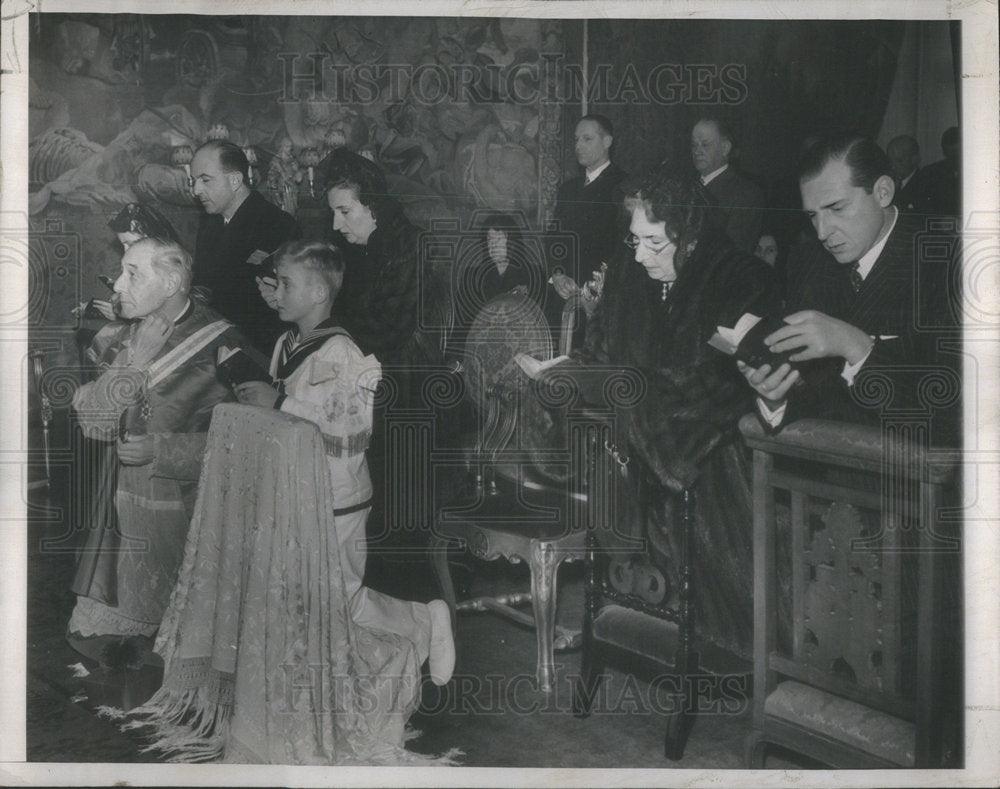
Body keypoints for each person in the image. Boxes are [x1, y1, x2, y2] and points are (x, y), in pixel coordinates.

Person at [519, 172, 777, 658]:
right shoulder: (628, 272)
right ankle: (633, 615)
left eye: (654, 242)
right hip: (630, 448)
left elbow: (727, 383)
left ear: (691, 236)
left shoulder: (739, 276)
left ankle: (725, 644)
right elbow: (601, 356)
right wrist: (568, 371)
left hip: (707, 449)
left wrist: (633, 393)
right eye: (634, 240)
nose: (639, 255)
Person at [234, 240, 455, 686]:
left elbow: (350, 428)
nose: (276, 292)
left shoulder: (343, 353)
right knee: (307, 594)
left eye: (286, 284)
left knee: (342, 598)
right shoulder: (285, 343)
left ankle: (424, 620)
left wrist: (278, 400)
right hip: (298, 487)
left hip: (339, 494)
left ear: (319, 293)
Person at [67, 238, 248, 669]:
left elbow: (250, 445)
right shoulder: (119, 335)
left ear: (170, 283)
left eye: (133, 273)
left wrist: (162, 449)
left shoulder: (225, 343)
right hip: (120, 517)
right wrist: (138, 359)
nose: (117, 284)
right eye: (121, 271)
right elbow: (94, 422)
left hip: (191, 515)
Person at [738, 134, 959, 447]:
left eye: (837, 208)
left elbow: (952, 422)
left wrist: (858, 348)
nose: (823, 232)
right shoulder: (808, 262)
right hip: (827, 482)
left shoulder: (949, 264)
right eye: (813, 215)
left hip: (909, 488)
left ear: (882, 192)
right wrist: (776, 398)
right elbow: (816, 393)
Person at [190, 140, 298, 354]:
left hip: (259, 348)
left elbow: (269, 305)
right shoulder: (210, 223)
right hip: (216, 339)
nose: (196, 190)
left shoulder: (277, 224)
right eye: (193, 181)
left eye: (205, 180)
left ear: (235, 180)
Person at [549, 115, 629, 340]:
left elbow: (621, 248)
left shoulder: (624, 186)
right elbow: (554, 238)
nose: (578, 146)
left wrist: (587, 286)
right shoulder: (568, 189)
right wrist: (557, 274)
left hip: (601, 302)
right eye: (576, 140)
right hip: (561, 295)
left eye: (587, 139)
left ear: (607, 142)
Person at [690, 118, 764, 253]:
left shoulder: (746, 194)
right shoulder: (685, 187)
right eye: (694, 145)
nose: (697, 151)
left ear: (725, 148)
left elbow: (735, 253)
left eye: (705, 145)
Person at [886, 134, 923, 213]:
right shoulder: (887, 182)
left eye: (899, 161)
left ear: (914, 159)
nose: (893, 166)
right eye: (890, 161)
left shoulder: (924, 186)